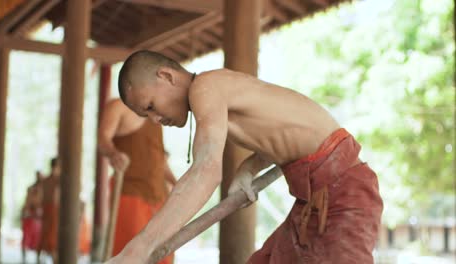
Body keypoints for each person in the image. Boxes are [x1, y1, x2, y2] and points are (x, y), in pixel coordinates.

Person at [107, 50, 383, 264]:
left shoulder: (205, 86)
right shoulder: (217, 97)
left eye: (151, 106)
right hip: (310, 202)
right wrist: (247, 169)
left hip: (344, 193)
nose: (155, 119)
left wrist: (138, 249)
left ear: (166, 76)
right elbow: (280, 129)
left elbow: (206, 170)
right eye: (147, 116)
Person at [98, 98, 176, 263]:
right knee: (132, 254)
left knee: (163, 254)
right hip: (131, 193)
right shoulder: (117, 106)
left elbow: (159, 160)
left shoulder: (156, 115)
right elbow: (103, 139)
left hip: (159, 195)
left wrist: (176, 183)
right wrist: (113, 153)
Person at [38, 157, 92, 263]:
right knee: (53, 242)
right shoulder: (54, 181)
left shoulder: (48, 180)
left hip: (53, 213)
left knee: (54, 243)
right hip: (54, 213)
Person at [21, 171, 44, 263]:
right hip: (30, 217)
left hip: (37, 218)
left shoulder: (42, 190)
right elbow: (28, 204)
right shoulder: (31, 189)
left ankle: (37, 258)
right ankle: (24, 258)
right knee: (26, 238)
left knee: (38, 239)